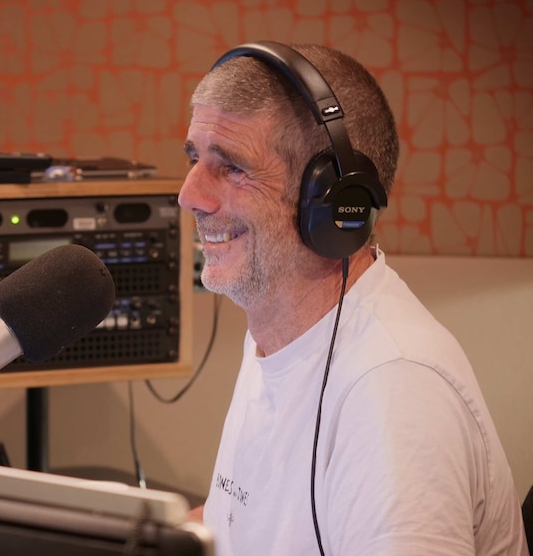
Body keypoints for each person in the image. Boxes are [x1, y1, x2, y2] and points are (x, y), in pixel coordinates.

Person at [178, 41, 528, 555]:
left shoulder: (394, 391)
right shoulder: (277, 333)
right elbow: (241, 522)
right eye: (194, 157)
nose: (190, 194)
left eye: (231, 167)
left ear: (335, 204)